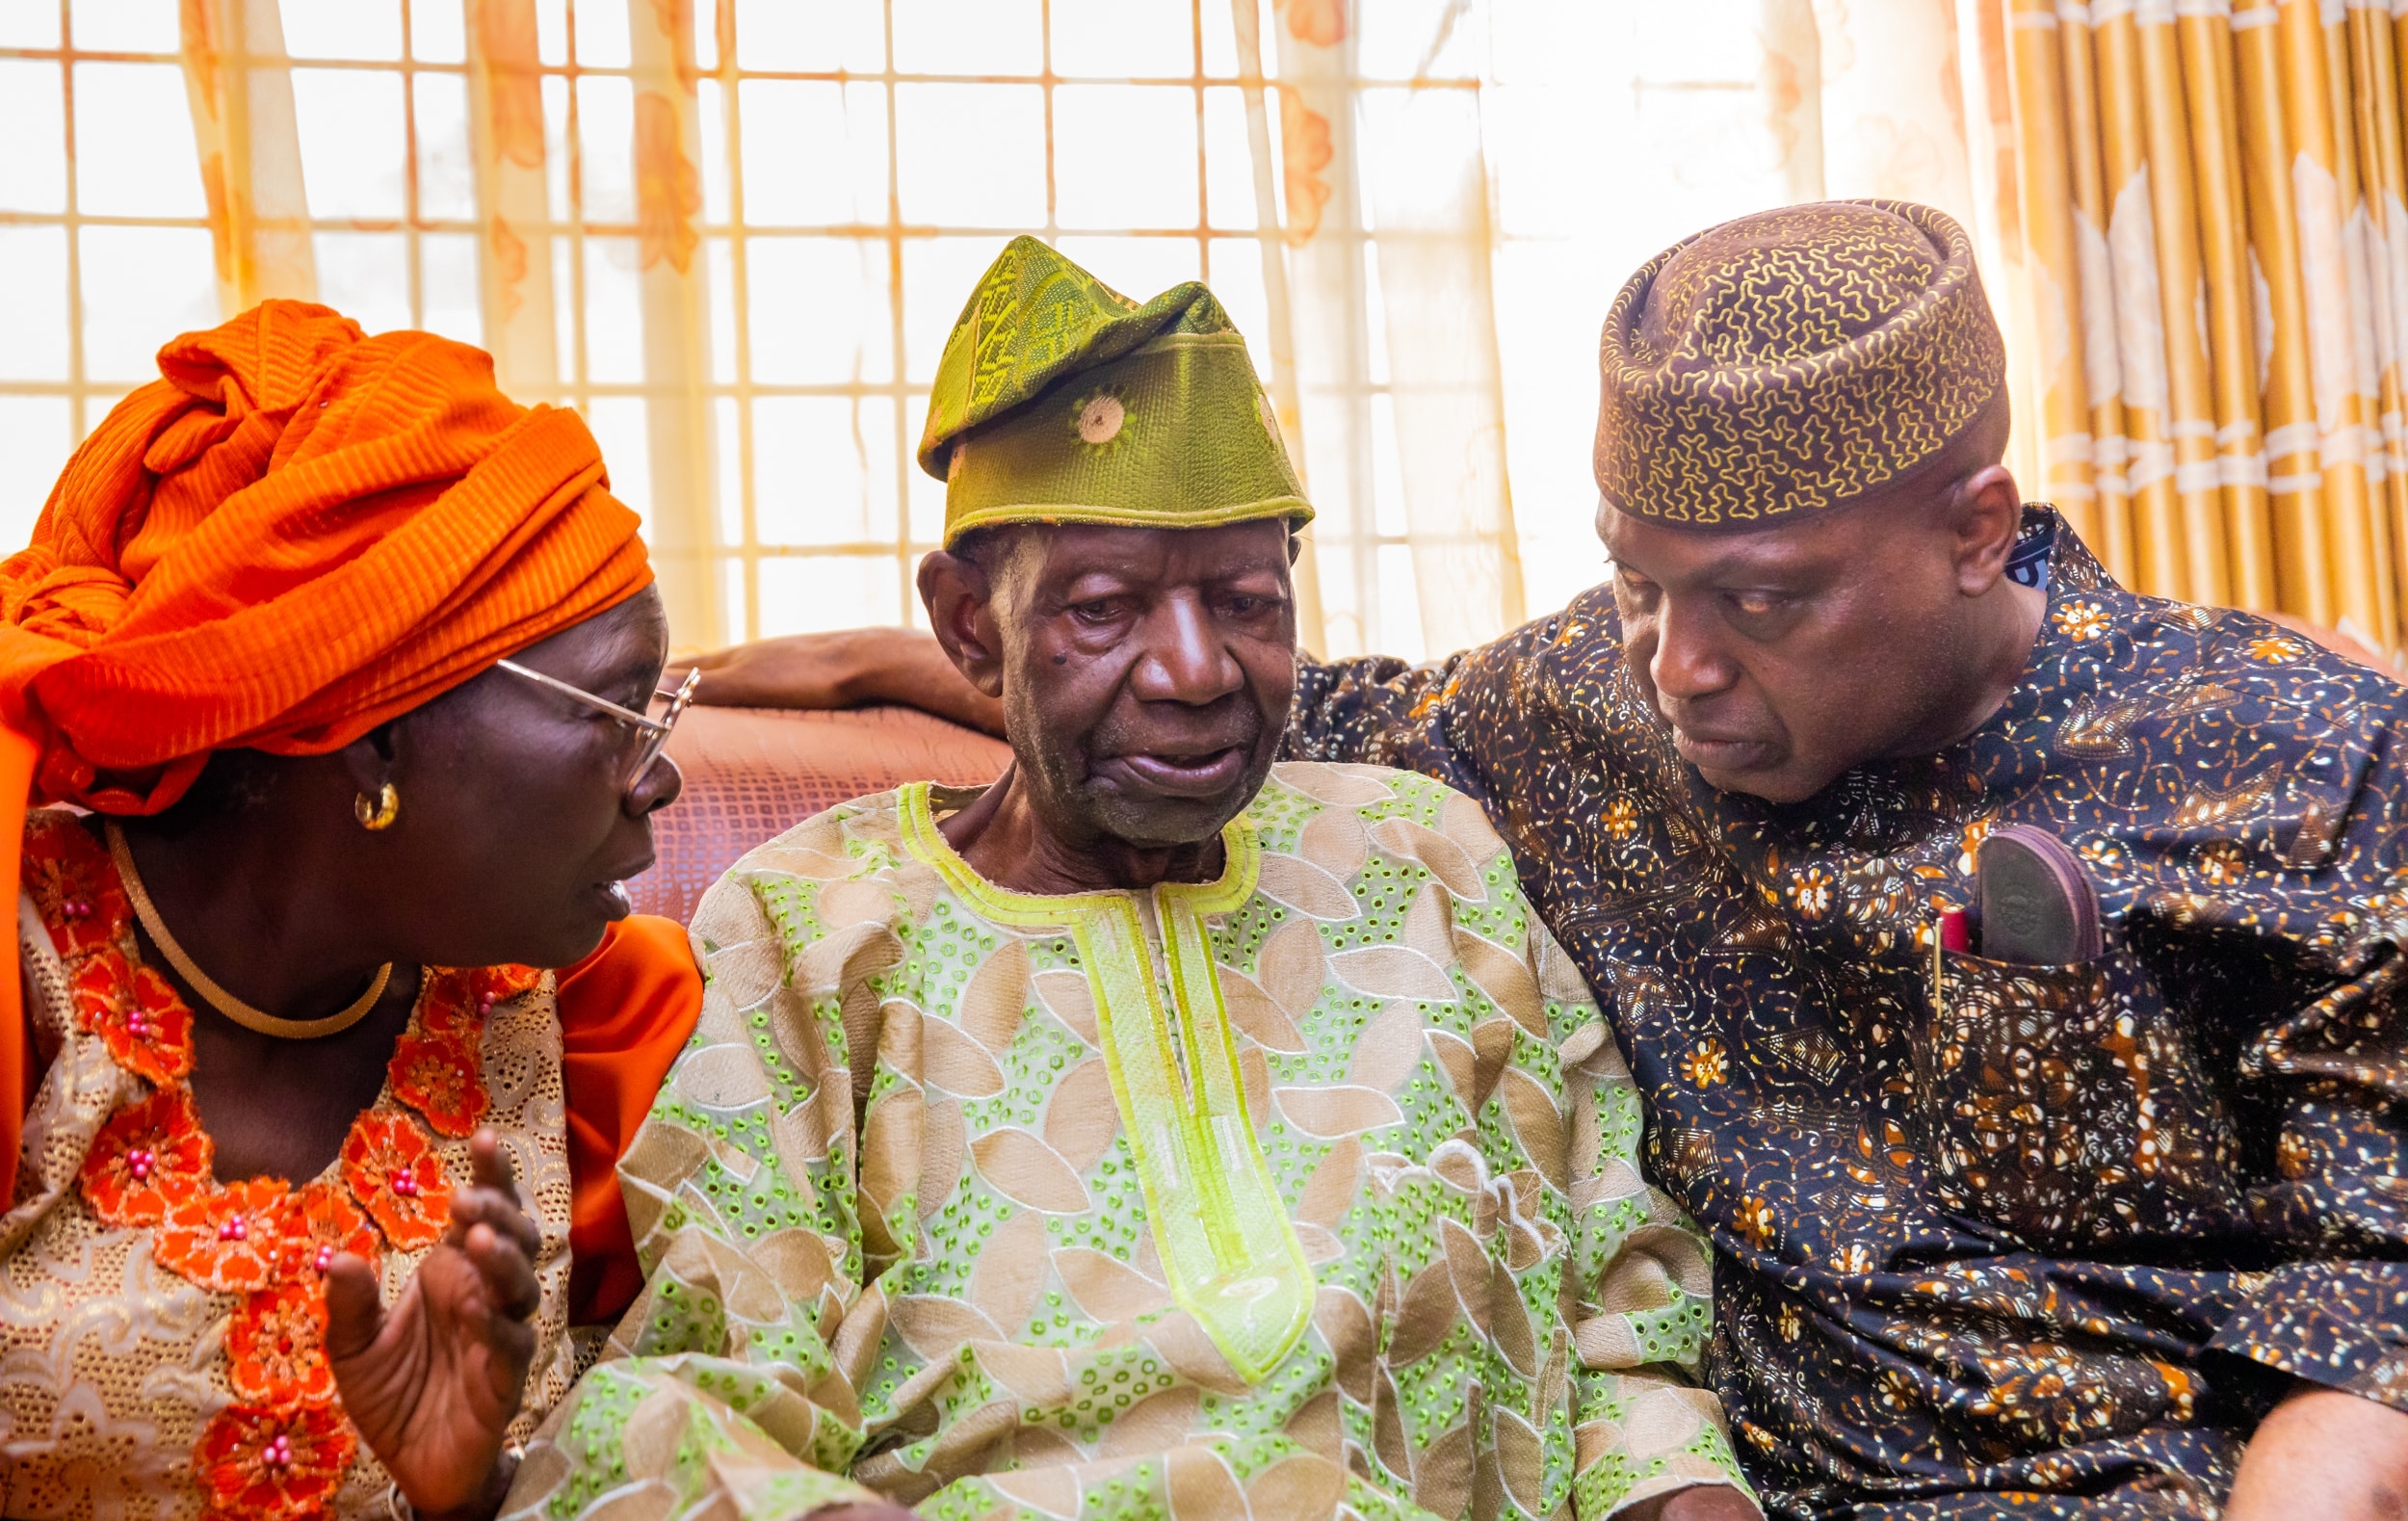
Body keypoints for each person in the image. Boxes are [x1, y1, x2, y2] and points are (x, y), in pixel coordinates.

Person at [658, 201, 2408, 1520]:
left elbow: (2374, 1310)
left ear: (1976, 528)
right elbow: (1250, 694)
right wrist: (909, 661)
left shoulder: (2293, 758)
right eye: (1639, 580)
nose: (1678, 669)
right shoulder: (1570, 705)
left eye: (1760, 598)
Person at [499, 239, 1758, 1521]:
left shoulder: (1431, 862)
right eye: (1103, 608)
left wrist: (1679, 1487)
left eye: (1248, 602)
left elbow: (1625, 1318)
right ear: (972, 626)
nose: (1195, 670)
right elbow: (712, 1369)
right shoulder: (814, 918)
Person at [0, 301, 706, 1520]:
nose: (662, 776)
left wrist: (472, 1498)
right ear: (374, 740)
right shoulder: (26, 981)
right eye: (622, 710)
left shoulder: (592, 1022)